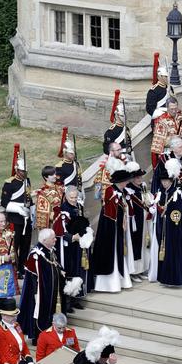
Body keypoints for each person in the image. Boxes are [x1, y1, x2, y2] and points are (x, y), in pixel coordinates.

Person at [91, 159, 135, 293]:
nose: (127, 182)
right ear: (120, 182)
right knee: (111, 253)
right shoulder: (111, 191)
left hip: (119, 228)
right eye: (126, 181)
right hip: (110, 228)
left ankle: (122, 280)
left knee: (119, 252)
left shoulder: (123, 192)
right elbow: (111, 212)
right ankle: (109, 284)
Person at [18, 228, 68, 344]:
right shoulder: (36, 254)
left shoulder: (49, 250)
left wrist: (60, 271)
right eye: (53, 238)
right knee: (40, 314)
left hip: (52, 291)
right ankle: (39, 338)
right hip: (40, 293)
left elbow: (54, 265)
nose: (56, 240)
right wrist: (36, 294)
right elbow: (32, 278)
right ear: (45, 240)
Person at [154, 157, 182, 288]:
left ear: (171, 180)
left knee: (174, 253)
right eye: (163, 181)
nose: (164, 183)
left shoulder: (177, 193)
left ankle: (175, 279)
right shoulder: (160, 193)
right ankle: (164, 278)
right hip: (162, 228)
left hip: (174, 229)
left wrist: (172, 218)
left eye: (166, 181)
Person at [54, 185, 94, 298]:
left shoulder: (79, 206)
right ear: (66, 197)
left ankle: (78, 296)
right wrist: (72, 237)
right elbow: (59, 231)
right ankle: (69, 302)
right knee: (71, 272)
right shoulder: (62, 211)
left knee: (80, 271)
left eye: (76, 197)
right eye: (71, 198)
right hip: (70, 248)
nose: (74, 200)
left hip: (81, 246)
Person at [0, 145, 33, 275]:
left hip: (27, 219)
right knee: (15, 245)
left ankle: (22, 268)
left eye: (25, 171)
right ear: (17, 170)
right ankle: (14, 269)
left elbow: (29, 197)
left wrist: (32, 213)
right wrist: (19, 209)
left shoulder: (27, 181)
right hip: (15, 220)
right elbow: (4, 203)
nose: (24, 173)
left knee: (26, 245)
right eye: (22, 171)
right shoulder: (10, 183)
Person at [0, 298, 33, 364]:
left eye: (15, 315)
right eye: (12, 316)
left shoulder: (16, 325)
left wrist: (29, 359)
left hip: (22, 359)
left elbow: (23, 344)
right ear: (3, 315)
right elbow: (5, 354)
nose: (15, 318)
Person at [150, 95, 182, 168]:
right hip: (169, 153)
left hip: (181, 152)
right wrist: (172, 139)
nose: (174, 111)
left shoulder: (180, 116)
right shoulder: (161, 121)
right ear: (167, 108)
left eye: (175, 108)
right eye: (171, 109)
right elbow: (158, 145)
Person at [34, 165, 64, 232]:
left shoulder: (60, 188)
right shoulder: (42, 192)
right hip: (52, 225)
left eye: (55, 173)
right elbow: (42, 214)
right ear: (46, 177)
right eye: (52, 174)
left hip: (64, 221)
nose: (55, 176)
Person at [103, 89, 133, 154]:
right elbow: (106, 150)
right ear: (117, 115)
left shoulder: (126, 128)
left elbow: (129, 146)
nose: (124, 117)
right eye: (122, 115)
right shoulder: (111, 132)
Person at [145, 53, 171, 120]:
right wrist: (162, 113)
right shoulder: (153, 91)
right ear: (159, 77)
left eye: (168, 76)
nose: (167, 78)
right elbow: (150, 109)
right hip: (158, 119)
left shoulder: (169, 88)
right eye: (165, 76)